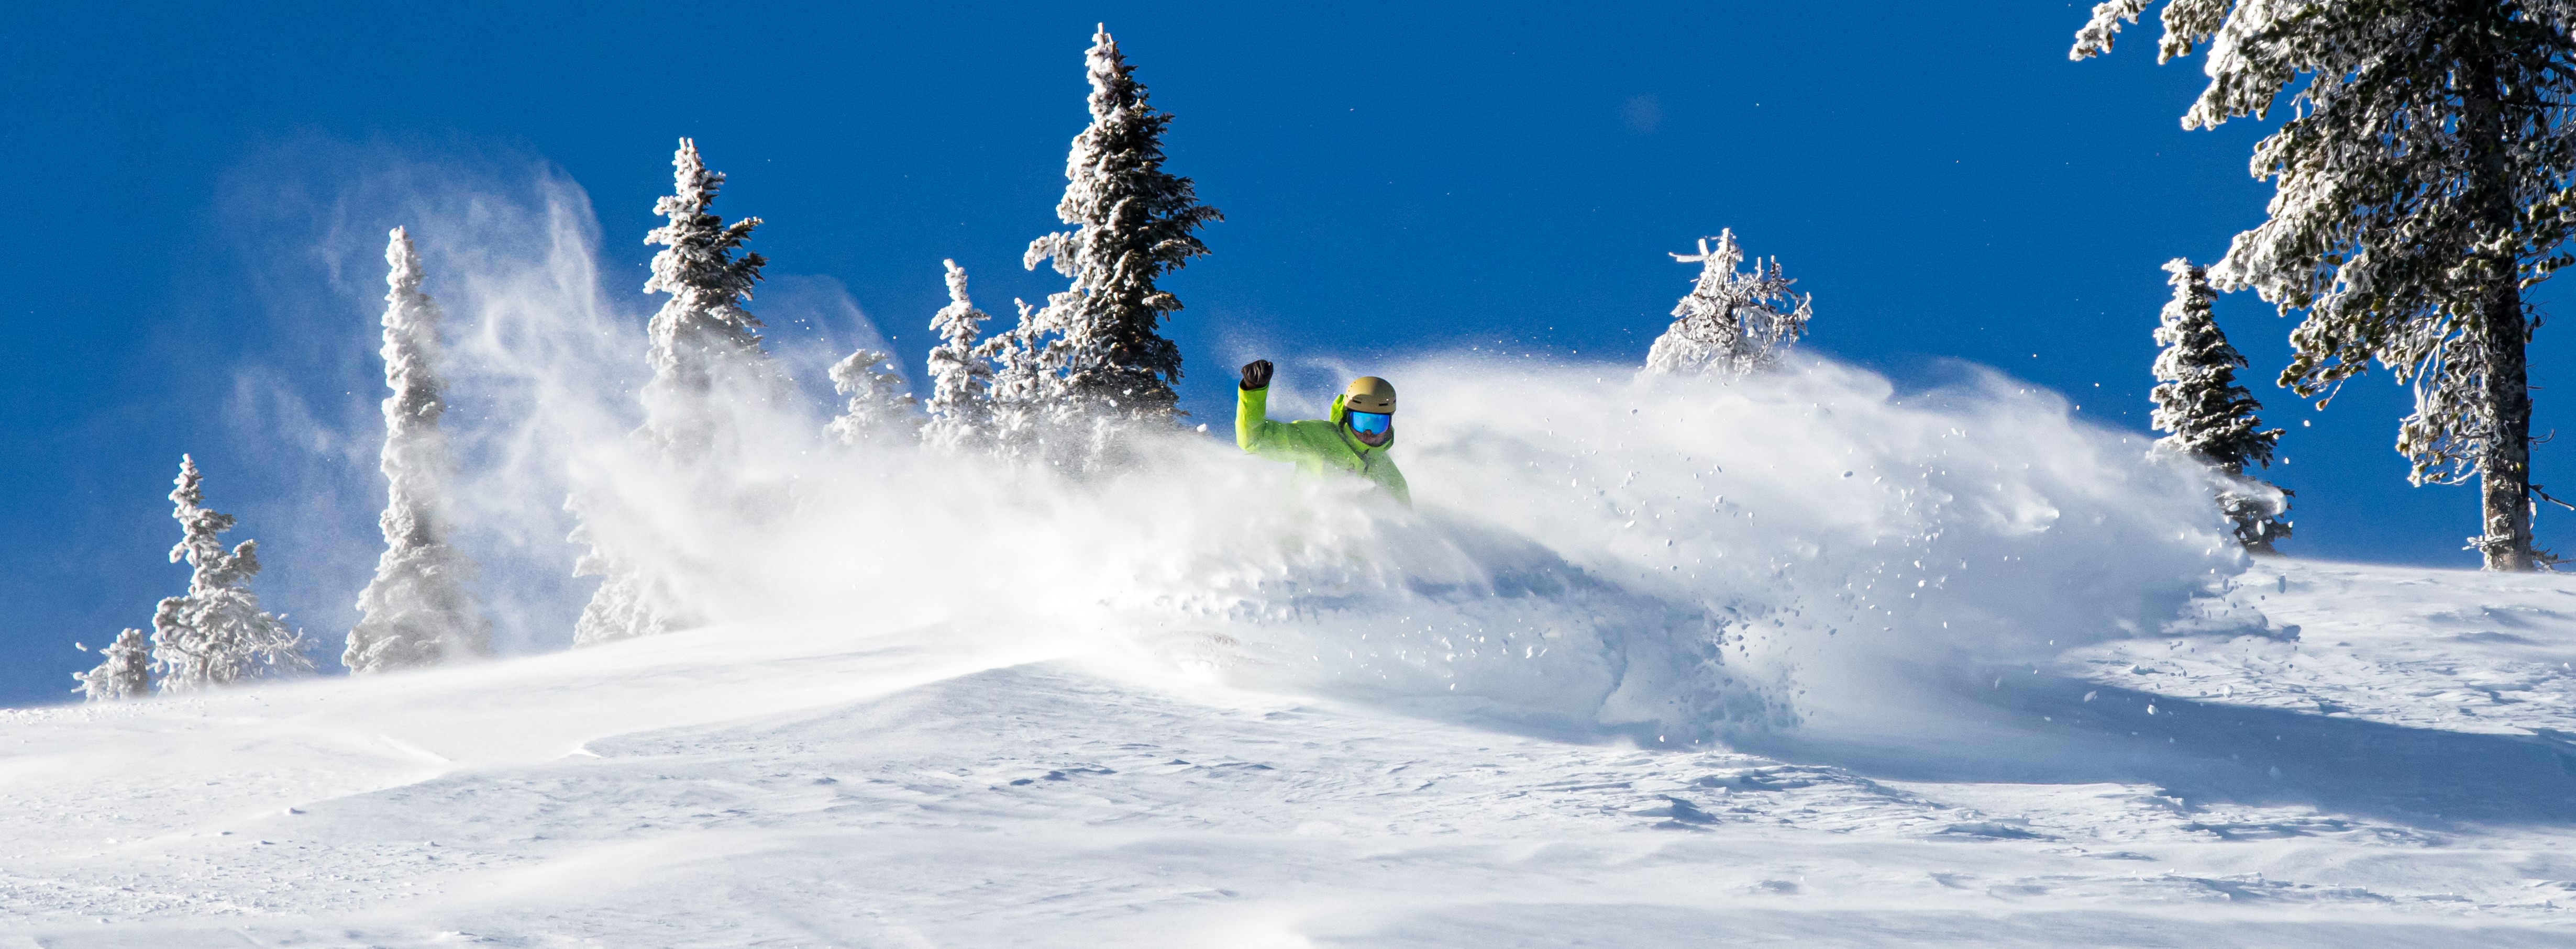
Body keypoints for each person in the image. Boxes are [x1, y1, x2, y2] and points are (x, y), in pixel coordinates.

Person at [1234, 359, 1410, 506]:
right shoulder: (1317, 438)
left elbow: (1406, 525)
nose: (1368, 432)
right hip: (1302, 529)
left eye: (1378, 423)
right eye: (1361, 422)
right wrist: (1254, 390)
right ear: (1348, 417)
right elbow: (1256, 440)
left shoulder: (1390, 477)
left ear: (1390, 423)